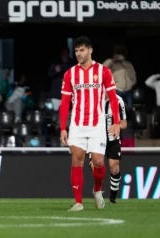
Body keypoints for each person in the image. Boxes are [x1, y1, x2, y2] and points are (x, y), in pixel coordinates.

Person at [59, 36, 120, 211]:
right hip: (77, 125)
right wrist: (63, 127)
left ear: (90, 50)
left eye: (82, 50)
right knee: (76, 161)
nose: (78, 54)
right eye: (76, 51)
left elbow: (113, 99)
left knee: (99, 162)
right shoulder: (70, 73)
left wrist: (116, 122)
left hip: (97, 124)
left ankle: (98, 189)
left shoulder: (104, 71)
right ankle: (78, 202)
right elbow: (64, 103)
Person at [89, 93, 127, 204]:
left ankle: (112, 198)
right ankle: (98, 190)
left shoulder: (119, 100)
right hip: (96, 138)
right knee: (95, 165)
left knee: (114, 168)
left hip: (113, 139)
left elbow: (124, 123)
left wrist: (117, 126)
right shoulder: (93, 98)